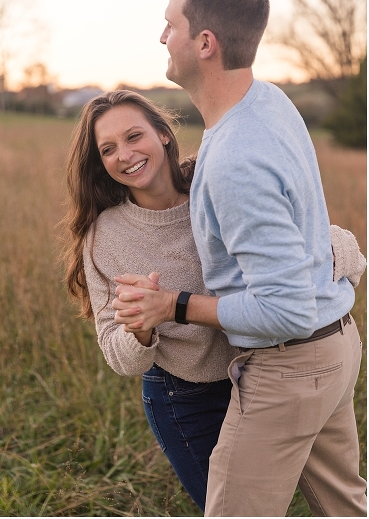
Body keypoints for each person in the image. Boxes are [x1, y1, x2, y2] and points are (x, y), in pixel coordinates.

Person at [112, 0, 367, 516]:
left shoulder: (235, 159)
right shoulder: (267, 101)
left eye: (171, 25)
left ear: (205, 43)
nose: (162, 36)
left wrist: (174, 305)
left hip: (290, 366)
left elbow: (287, 309)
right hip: (336, 343)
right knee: (346, 506)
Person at [62, 89, 365, 512]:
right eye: (108, 149)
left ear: (163, 134)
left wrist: (316, 263)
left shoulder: (214, 187)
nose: (125, 155)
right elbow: (120, 357)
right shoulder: (105, 238)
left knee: (335, 500)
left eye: (134, 136)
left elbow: (338, 245)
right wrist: (142, 326)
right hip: (189, 398)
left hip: (273, 369)